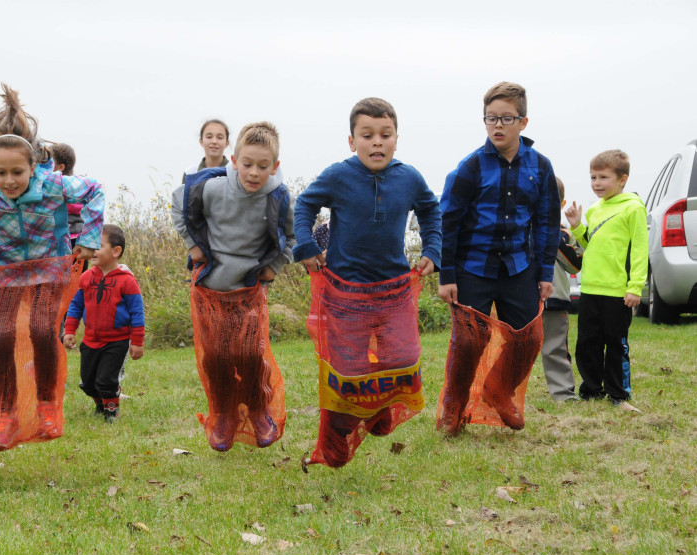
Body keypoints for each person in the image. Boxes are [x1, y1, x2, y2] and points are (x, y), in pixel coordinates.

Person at [0, 84, 104, 452]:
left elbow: (94, 191)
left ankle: (47, 404)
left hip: (49, 267)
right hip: (4, 271)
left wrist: (89, 237)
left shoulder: (52, 184)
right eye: (1, 173)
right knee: (1, 336)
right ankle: (5, 416)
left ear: (32, 167)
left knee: (39, 329)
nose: (9, 181)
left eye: (17, 172)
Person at [293, 97, 442, 467]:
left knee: (402, 358)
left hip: (395, 291)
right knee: (350, 370)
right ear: (352, 141)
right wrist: (307, 245)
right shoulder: (338, 175)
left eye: (385, 135)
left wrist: (433, 249)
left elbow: (430, 210)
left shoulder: (409, 178)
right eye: (367, 135)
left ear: (396, 139)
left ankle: (378, 412)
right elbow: (304, 206)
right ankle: (338, 435)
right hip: (346, 293)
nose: (377, 142)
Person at [437, 81, 560, 435]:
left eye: (507, 118)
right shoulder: (470, 167)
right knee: (469, 342)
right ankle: (453, 407)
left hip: (519, 268)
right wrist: (448, 276)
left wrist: (545, 272)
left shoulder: (541, 166)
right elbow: (449, 223)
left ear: (523, 122)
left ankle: (499, 389)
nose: (498, 126)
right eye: (491, 118)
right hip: (472, 267)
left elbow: (548, 222)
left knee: (529, 338)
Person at [171, 121, 295, 451]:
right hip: (210, 287)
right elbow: (177, 203)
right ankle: (223, 413)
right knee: (215, 357)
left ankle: (257, 410)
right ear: (234, 160)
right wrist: (191, 245)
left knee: (250, 354)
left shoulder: (280, 198)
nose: (254, 172)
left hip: (249, 289)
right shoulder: (212, 188)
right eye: (248, 164)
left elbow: (293, 237)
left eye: (263, 166)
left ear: (275, 167)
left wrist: (274, 266)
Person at [564, 150, 647, 412]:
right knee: (588, 342)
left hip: (618, 291)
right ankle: (591, 390)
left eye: (603, 177)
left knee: (615, 342)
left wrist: (635, 288)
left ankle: (618, 394)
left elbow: (639, 251)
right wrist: (577, 227)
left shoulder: (633, 208)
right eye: (593, 177)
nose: (597, 183)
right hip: (590, 288)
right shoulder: (594, 210)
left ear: (623, 180)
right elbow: (591, 245)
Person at [63, 224, 144, 422]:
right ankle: (101, 405)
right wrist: (69, 330)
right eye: (90, 245)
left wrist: (137, 341)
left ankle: (111, 410)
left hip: (117, 341)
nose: (93, 250)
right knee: (88, 382)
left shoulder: (127, 281)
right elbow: (75, 306)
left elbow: (137, 312)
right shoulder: (86, 278)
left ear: (116, 251)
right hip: (90, 340)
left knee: (106, 380)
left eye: (98, 246)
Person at [541, 178, 582, 402]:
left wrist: (550, 234)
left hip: (555, 297)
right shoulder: (517, 229)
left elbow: (575, 264)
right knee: (515, 347)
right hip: (521, 298)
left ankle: (563, 393)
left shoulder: (563, 234)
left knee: (555, 347)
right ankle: (505, 393)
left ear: (561, 204)